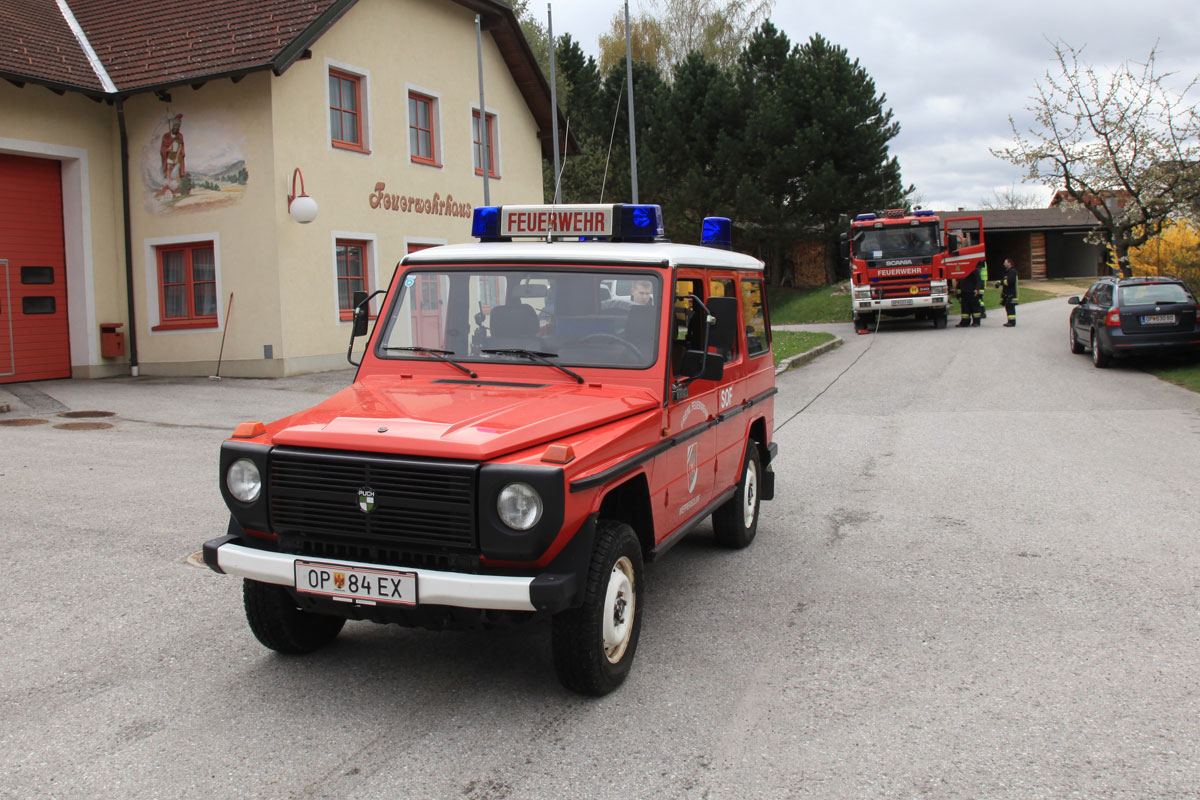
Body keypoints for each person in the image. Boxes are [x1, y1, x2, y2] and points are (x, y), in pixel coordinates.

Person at [999, 258, 1018, 326]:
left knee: (1010, 308)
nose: (1004, 264)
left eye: (1005, 262)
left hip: (1011, 294)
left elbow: (1010, 281)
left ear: (1009, 263)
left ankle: (1012, 322)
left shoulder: (1012, 271)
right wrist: (999, 283)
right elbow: (1005, 280)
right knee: (1008, 307)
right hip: (1007, 293)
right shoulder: (1007, 271)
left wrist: (1001, 282)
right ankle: (1010, 321)